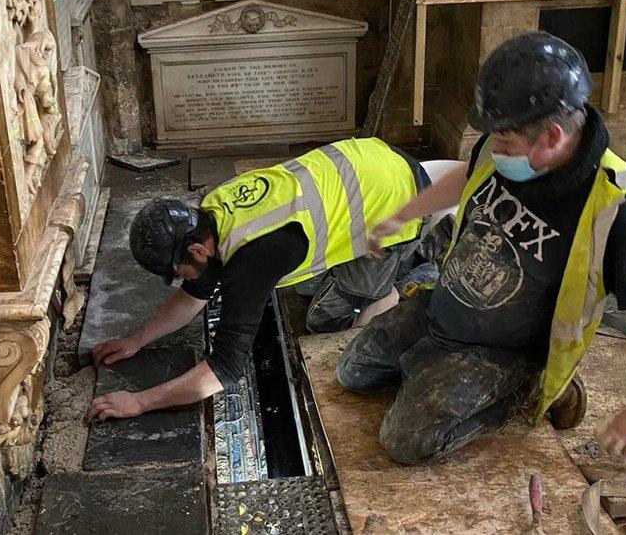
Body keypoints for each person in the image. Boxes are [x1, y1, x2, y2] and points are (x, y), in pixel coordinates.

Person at [339, 32, 626, 466]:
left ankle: (524, 390)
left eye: (505, 142)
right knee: (353, 373)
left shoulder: (618, 206)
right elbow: (469, 175)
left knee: (404, 442)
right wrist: (403, 215)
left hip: (501, 351)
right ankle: (436, 371)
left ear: (552, 137)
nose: (496, 149)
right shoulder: (506, 144)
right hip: (443, 310)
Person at [85, 138, 446, 422]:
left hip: (399, 198)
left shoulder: (251, 262)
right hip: (369, 158)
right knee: (305, 284)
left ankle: (410, 279)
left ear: (195, 252)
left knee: (328, 319)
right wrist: (137, 340)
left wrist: (139, 402)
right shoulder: (212, 211)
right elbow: (195, 293)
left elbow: (223, 370)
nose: (186, 282)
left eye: (179, 274)